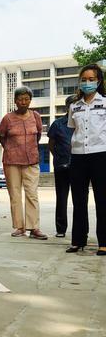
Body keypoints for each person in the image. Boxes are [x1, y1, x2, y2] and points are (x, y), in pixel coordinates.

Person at [66, 63, 106, 256]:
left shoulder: (105, 103)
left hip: (101, 155)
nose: (87, 83)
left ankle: (104, 242)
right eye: (84, 79)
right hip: (79, 156)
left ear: (99, 81)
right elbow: (74, 130)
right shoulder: (74, 106)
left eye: (91, 79)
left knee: (102, 200)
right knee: (79, 200)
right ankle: (78, 240)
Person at [0, 86, 47, 240]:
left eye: (26, 99)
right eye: (20, 99)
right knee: (15, 194)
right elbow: (3, 137)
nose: (23, 102)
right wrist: (13, 150)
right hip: (11, 161)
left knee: (32, 194)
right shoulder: (7, 118)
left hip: (32, 160)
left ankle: (34, 228)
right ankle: (20, 227)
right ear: (15, 101)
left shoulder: (36, 116)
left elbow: (38, 135)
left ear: (30, 100)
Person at [47, 95, 75, 238]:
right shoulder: (57, 124)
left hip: (80, 166)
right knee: (62, 198)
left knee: (79, 199)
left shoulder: (83, 122)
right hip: (62, 166)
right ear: (66, 107)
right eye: (71, 104)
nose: (74, 107)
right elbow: (51, 144)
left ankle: (79, 230)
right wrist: (59, 157)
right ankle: (61, 229)